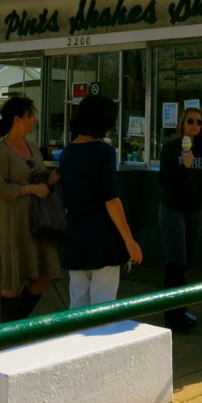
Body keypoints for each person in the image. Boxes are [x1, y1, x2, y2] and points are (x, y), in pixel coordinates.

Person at [60, 94, 143, 308]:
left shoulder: (68, 152)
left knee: (77, 303)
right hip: (104, 239)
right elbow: (111, 199)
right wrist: (129, 240)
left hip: (76, 238)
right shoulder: (104, 152)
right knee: (103, 306)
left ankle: (75, 341)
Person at [0, 97, 61, 322]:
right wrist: (30, 189)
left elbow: (40, 179)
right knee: (14, 277)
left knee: (47, 273)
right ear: (17, 119)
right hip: (15, 221)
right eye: (31, 116)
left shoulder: (31, 147)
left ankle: (15, 325)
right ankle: (5, 336)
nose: (35, 120)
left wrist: (50, 181)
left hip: (40, 220)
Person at [158, 105, 202, 330]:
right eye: (190, 121)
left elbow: (199, 183)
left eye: (199, 122)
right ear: (182, 125)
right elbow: (164, 179)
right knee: (175, 261)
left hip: (195, 208)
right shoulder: (171, 147)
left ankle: (181, 307)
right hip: (173, 208)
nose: (195, 125)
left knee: (186, 261)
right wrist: (183, 167)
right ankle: (173, 314)